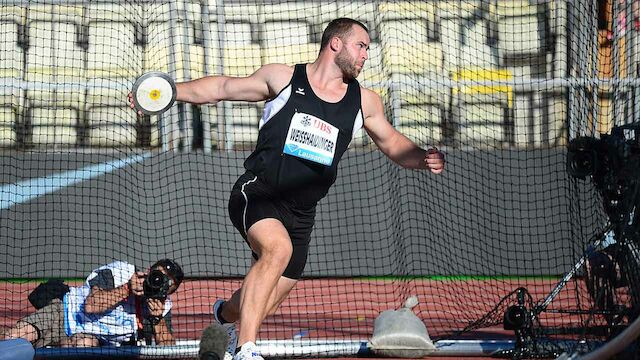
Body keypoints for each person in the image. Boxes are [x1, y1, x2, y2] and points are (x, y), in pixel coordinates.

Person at [129, 17, 445, 360]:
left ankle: (223, 316)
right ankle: (245, 349)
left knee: (266, 297)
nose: (366, 55)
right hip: (259, 193)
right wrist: (171, 91)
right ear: (335, 44)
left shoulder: (365, 102)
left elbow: (393, 143)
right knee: (277, 251)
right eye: (361, 45)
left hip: (301, 214)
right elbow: (221, 88)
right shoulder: (282, 78)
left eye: (368, 48)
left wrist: (423, 158)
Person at [2, 259, 184, 348]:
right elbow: (91, 305)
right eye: (158, 277)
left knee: (83, 345)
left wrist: (158, 320)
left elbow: (167, 350)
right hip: (65, 313)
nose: (159, 285)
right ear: (149, 271)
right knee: (13, 340)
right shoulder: (121, 272)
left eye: (167, 286)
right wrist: (127, 289)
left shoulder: (161, 306)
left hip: (93, 339)